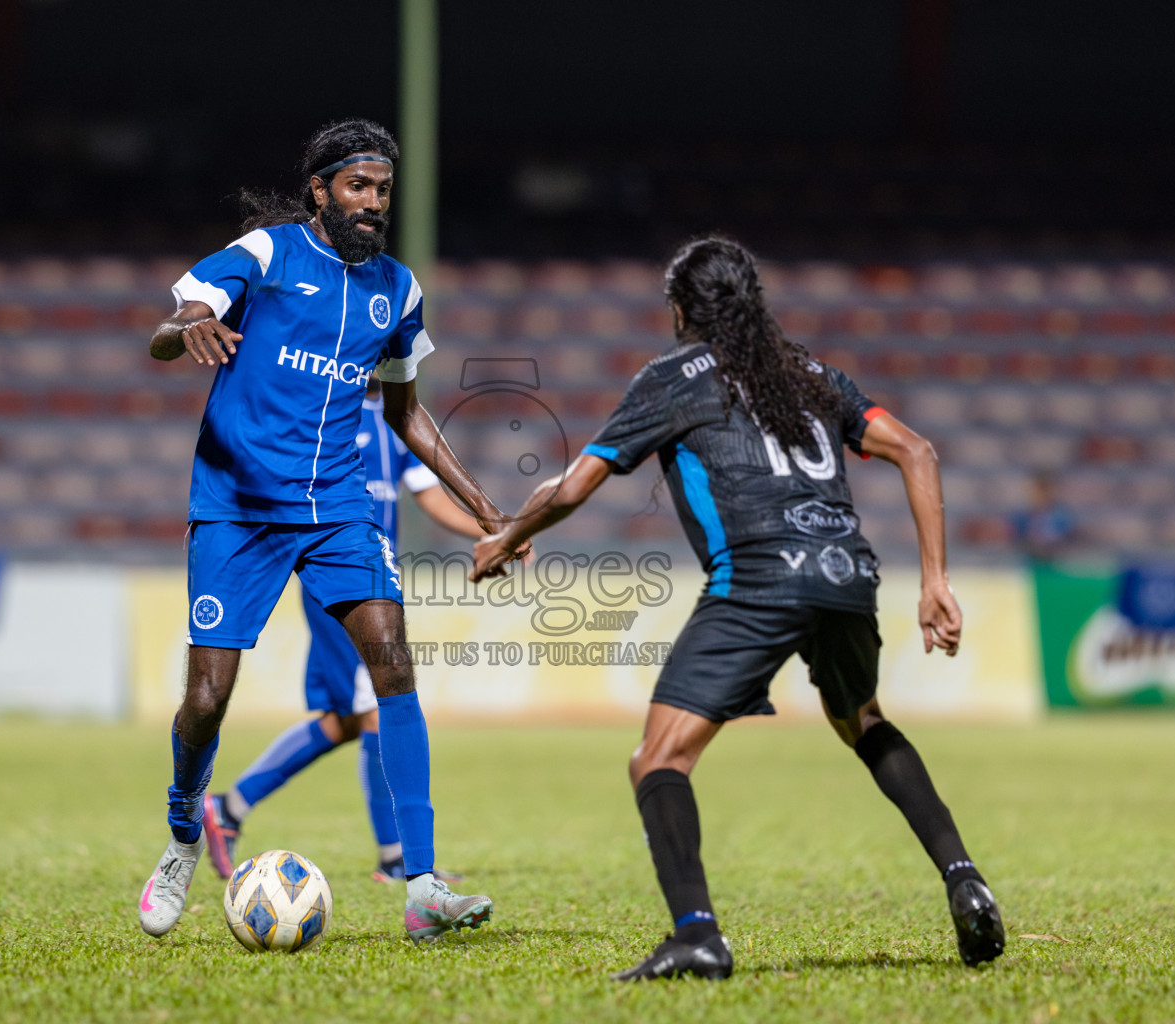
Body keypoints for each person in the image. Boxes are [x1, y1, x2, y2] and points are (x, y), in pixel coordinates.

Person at [471, 237, 1005, 980]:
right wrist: (935, 581)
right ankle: (964, 877)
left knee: (657, 759)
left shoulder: (673, 378)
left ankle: (696, 934)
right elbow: (916, 450)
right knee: (865, 721)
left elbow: (572, 488)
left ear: (681, 310)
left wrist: (507, 536)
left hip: (758, 578)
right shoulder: (814, 375)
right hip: (847, 573)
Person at [140, 119, 525, 943]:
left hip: (338, 509)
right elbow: (170, 326)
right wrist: (186, 330)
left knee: (392, 667)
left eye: (382, 189)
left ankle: (423, 883)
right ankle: (180, 838)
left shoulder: (397, 288)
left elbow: (407, 414)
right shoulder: (269, 255)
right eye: (358, 186)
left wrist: (492, 511)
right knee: (206, 700)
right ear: (320, 190)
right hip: (237, 507)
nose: (372, 203)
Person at [201, 377, 489, 886]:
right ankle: (395, 856)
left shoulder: (399, 422)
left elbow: (429, 496)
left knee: (347, 717)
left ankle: (229, 805)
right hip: (331, 580)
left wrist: (490, 529)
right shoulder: (321, 411)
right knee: (377, 709)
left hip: (373, 580)